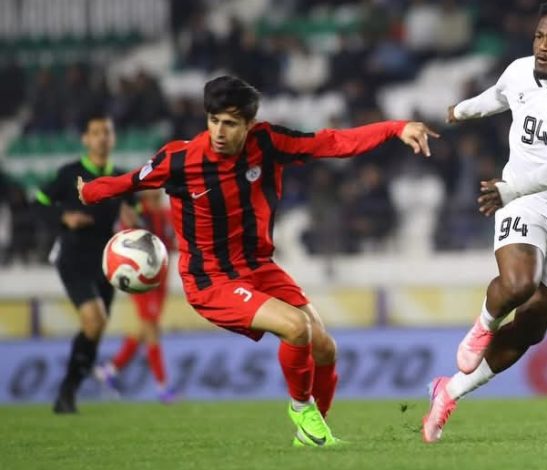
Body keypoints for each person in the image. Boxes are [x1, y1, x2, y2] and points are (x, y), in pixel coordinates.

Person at [78, 75, 438, 447]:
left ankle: (312, 432)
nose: (219, 132)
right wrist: (89, 191)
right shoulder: (180, 159)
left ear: (249, 124)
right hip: (211, 279)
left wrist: (396, 128)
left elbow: (332, 142)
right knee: (296, 327)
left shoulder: (267, 143)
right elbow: (129, 181)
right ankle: (301, 409)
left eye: (230, 123)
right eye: (214, 120)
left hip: (259, 267)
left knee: (325, 348)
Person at [422, 0, 547, 442]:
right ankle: (483, 326)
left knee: (532, 326)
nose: (543, 46)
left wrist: (510, 189)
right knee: (519, 284)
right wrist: (461, 111)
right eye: (539, 36)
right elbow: (499, 96)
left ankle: (449, 391)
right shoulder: (519, 71)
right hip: (527, 201)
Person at [35, 114, 137, 414]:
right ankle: (67, 391)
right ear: (85, 139)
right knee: (94, 319)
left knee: (97, 327)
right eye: (95, 132)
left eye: (107, 132)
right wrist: (63, 218)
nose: (102, 137)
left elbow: (136, 214)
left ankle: (68, 392)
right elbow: (38, 203)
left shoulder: (121, 178)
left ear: (113, 138)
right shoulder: (69, 174)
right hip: (73, 256)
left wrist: (133, 218)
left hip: (108, 262)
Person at [94, 189, 178, 403]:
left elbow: (172, 243)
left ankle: (110, 370)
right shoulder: (137, 212)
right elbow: (126, 240)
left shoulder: (166, 213)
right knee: (151, 330)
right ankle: (163, 387)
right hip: (142, 279)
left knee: (145, 329)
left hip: (162, 279)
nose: (157, 188)